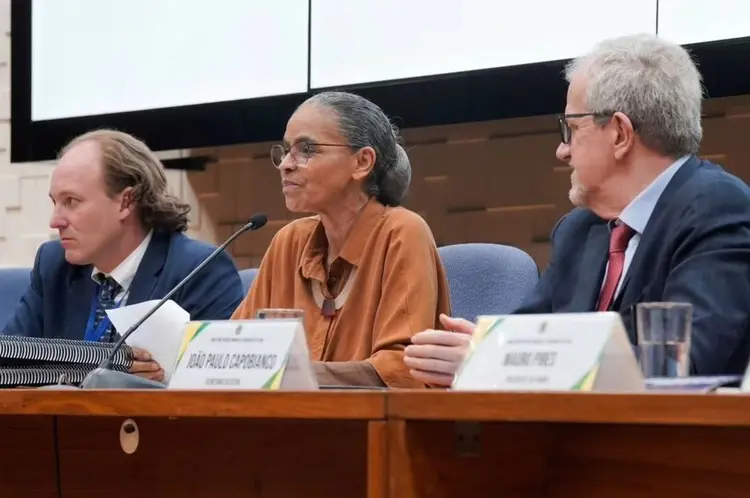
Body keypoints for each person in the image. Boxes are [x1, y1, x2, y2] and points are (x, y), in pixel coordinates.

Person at [405, 33, 750, 386]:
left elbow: (681, 365)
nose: (562, 151)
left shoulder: (720, 212)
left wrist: (489, 360)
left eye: (571, 129)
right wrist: (483, 348)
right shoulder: (580, 229)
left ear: (619, 134)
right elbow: (528, 334)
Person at [231, 91, 452, 388]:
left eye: (306, 149)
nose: (285, 164)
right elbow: (235, 350)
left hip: (371, 430)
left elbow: (400, 369)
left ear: (361, 162)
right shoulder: (289, 242)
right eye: (285, 151)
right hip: (284, 427)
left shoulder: (402, 232)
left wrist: (290, 377)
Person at [2, 129, 245, 382]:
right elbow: (7, 366)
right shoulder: (54, 265)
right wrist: (104, 368)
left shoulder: (199, 270)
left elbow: (218, 388)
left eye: (71, 201)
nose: (55, 221)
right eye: (55, 203)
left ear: (126, 202)